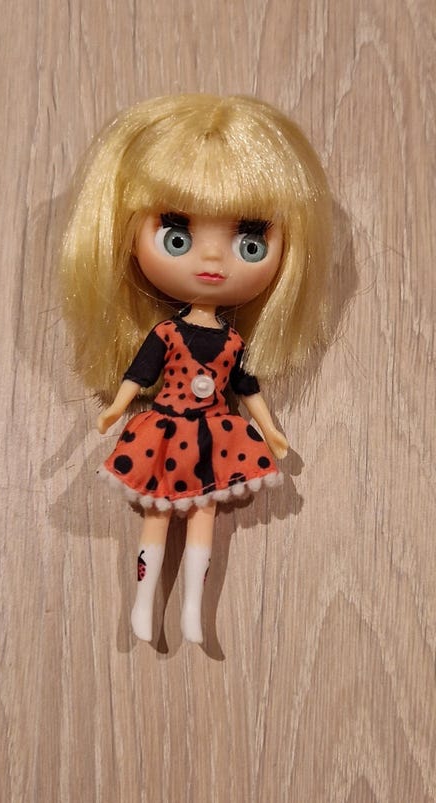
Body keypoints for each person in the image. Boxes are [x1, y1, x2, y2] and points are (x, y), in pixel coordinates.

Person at [60, 94, 331, 643]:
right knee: (157, 514)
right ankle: (143, 603)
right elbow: (141, 373)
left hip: (213, 435)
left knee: (203, 515)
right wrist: (116, 407)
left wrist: (270, 427)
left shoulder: (232, 341)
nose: (211, 261)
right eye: (177, 237)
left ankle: (191, 610)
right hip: (165, 429)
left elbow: (246, 385)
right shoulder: (166, 334)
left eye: (249, 242)